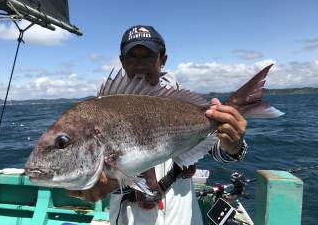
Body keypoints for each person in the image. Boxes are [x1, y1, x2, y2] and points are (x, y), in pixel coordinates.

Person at [69, 25, 248, 225]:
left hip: (180, 206)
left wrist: (234, 146)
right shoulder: (106, 107)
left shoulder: (184, 104)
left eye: (147, 56)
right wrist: (90, 185)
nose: (139, 65)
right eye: (132, 57)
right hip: (129, 213)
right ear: (122, 61)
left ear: (162, 60)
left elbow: (216, 149)